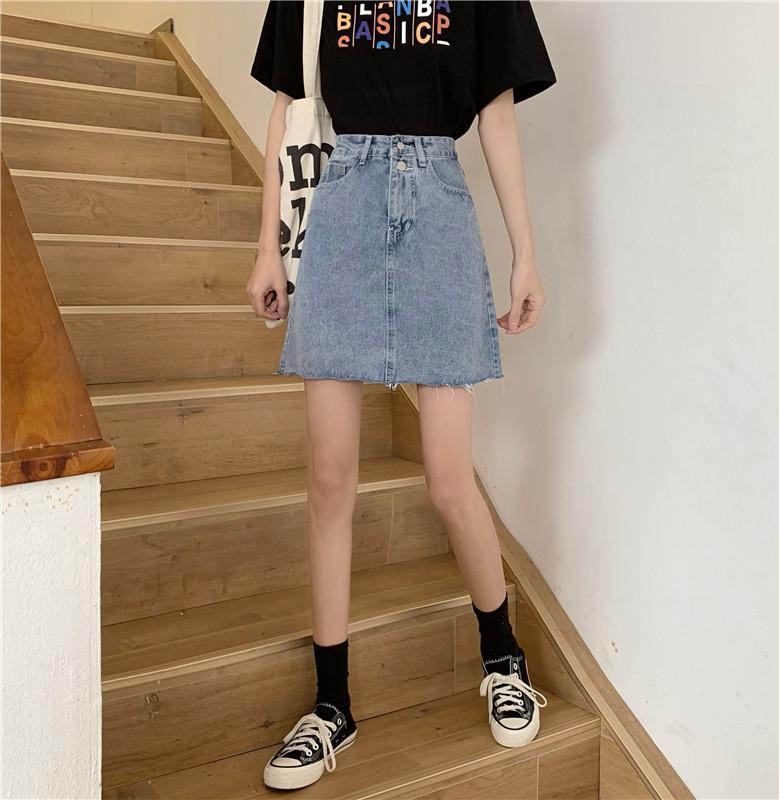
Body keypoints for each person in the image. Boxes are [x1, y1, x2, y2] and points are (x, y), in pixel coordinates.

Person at [248, 0, 556, 790]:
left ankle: (503, 658)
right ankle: (332, 705)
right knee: (329, 478)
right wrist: (267, 250)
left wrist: (525, 252)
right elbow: (286, 108)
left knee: (449, 479)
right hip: (339, 210)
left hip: (439, 211)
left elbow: (496, 113)